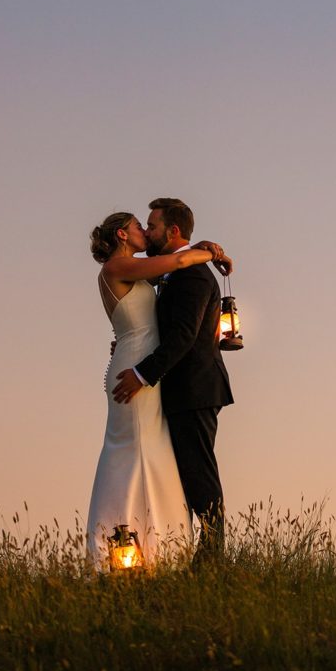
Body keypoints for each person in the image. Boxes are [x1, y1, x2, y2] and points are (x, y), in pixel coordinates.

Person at [86, 211, 231, 569]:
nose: (145, 233)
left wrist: (198, 247)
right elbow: (180, 259)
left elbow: (175, 266)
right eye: (140, 227)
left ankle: (157, 548)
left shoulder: (143, 272)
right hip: (136, 370)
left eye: (150, 226)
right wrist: (213, 253)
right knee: (133, 452)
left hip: (145, 366)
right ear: (123, 233)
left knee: (155, 453)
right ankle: (123, 544)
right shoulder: (116, 268)